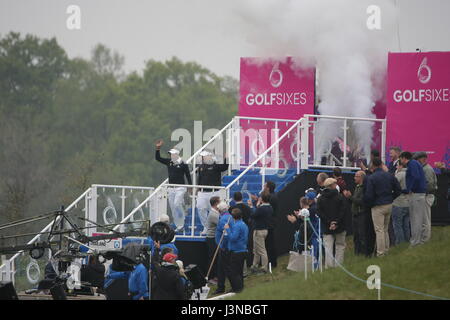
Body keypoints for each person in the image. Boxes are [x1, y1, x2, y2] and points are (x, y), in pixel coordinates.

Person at [364, 158, 401, 257]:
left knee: (379, 230)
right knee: (385, 229)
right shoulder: (389, 175)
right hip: (388, 204)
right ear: (381, 164)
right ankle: (386, 250)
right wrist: (391, 198)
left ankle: (381, 253)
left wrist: (371, 204)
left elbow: (369, 195)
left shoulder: (372, 178)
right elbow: (398, 189)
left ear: (373, 166)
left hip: (378, 206)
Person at [155, 139, 192, 233]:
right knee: (172, 207)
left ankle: (181, 224)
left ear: (176, 154)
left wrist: (190, 186)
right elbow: (158, 158)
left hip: (180, 188)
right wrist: (158, 148)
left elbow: (188, 175)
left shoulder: (183, 163)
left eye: (172, 154)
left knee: (176, 204)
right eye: (170, 154)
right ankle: (178, 225)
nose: (171, 155)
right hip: (171, 188)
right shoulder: (169, 162)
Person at [196, 150, 229, 235]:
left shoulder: (216, 165)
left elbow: (225, 167)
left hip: (214, 192)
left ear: (210, 156)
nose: (203, 158)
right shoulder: (201, 166)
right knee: (200, 207)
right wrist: (197, 189)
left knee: (217, 210)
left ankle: (220, 227)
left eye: (205, 156)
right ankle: (206, 226)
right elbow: (200, 178)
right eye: (203, 157)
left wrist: (227, 158)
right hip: (202, 192)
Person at [343, 171, 375, 256]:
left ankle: (364, 253)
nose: (354, 178)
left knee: (362, 235)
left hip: (362, 214)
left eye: (356, 176)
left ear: (361, 178)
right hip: (355, 214)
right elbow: (354, 201)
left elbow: (361, 201)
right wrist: (349, 198)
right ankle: (357, 253)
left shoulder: (364, 188)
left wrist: (351, 197)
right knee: (356, 236)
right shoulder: (357, 187)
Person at [316, 178, 347, 268]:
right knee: (340, 246)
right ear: (332, 186)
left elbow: (319, 212)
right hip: (340, 225)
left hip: (326, 226)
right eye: (335, 184)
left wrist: (329, 222)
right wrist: (336, 222)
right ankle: (339, 265)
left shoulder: (320, 198)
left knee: (328, 247)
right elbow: (343, 211)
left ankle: (329, 266)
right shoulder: (340, 197)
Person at [399, 151, 427, 247]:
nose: (400, 161)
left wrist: (410, 189)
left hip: (417, 194)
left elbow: (416, 177)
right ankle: (416, 241)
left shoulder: (412, 164)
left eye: (400, 159)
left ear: (403, 158)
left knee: (416, 220)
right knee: (416, 219)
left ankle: (415, 243)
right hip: (418, 194)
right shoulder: (414, 164)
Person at [413, 152, 437, 243]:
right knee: (422, 219)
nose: (415, 161)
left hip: (426, 196)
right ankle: (422, 239)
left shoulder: (427, 169)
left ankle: (425, 240)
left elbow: (430, 185)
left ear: (422, 159)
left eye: (417, 159)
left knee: (425, 219)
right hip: (423, 195)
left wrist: (419, 190)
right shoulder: (422, 168)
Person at [224, 208, 249, 293]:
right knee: (239, 271)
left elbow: (233, 238)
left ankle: (237, 289)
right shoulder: (244, 224)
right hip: (242, 250)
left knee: (234, 272)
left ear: (233, 217)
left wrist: (227, 229)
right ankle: (238, 287)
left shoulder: (237, 225)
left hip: (237, 252)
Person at [248, 192, 272, 274]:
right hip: (264, 230)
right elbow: (258, 214)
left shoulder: (262, 208)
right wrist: (258, 205)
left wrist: (251, 206)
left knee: (261, 250)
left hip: (259, 231)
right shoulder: (269, 207)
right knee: (256, 250)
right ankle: (254, 266)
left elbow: (253, 215)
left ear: (262, 199)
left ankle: (264, 268)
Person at [229, 192, 252, 271]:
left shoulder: (231, 209)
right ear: (242, 197)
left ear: (234, 198)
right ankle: (244, 269)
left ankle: (241, 270)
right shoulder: (247, 208)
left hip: (237, 231)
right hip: (246, 230)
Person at [214, 200, 233, 294]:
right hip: (225, 246)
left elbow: (225, 235)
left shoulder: (223, 220)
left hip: (224, 247)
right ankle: (221, 287)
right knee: (221, 268)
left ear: (220, 210)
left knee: (227, 268)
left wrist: (223, 246)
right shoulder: (229, 217)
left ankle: (233, 286)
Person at [391, 163, 411, 245]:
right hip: (408, 203)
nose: (396, 167)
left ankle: (400, 244)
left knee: (397, 225)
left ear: (401, 166)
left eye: (397, 165)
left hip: (399, 203)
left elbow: (392, 187)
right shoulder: (410, 174)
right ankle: (407, 242)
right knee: (406, 225)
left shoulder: (399, 175)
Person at [205, 196, 221, 284]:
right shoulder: (213, 214)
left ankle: (215, 276)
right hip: (212, 239)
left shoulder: (215, 212)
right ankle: (211, 277)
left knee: (216, 258)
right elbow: (221, 223)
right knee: (213, 258)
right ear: (216, 203)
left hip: (214, 238)